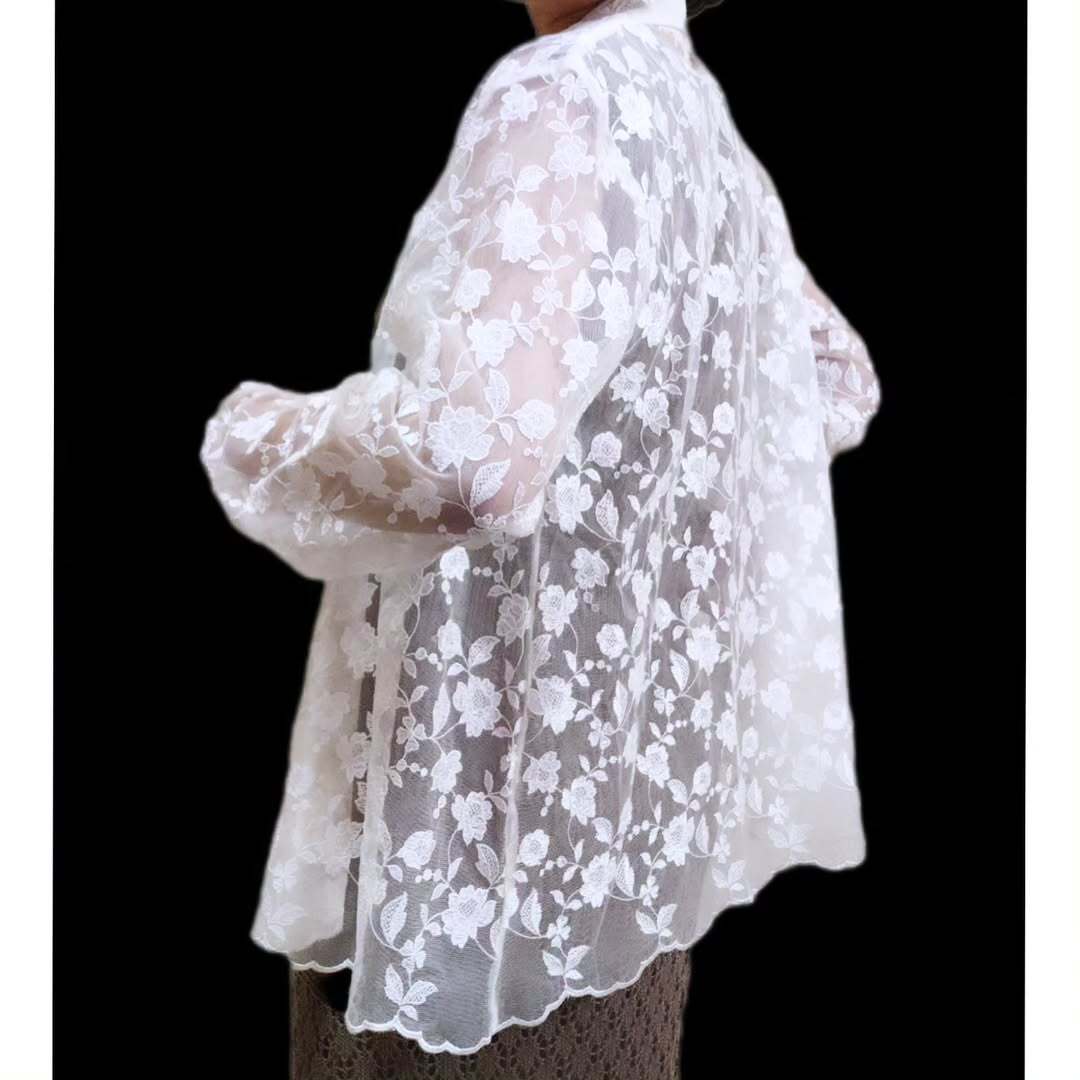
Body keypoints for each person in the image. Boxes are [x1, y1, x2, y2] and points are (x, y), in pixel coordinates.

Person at [199, 1, 881, 1076]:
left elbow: (478, 461)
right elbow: (834, 380)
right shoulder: (696, 119)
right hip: (618, 852)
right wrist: (639, 498)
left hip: (471, 848)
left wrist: (256, 434)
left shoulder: (560, 92)